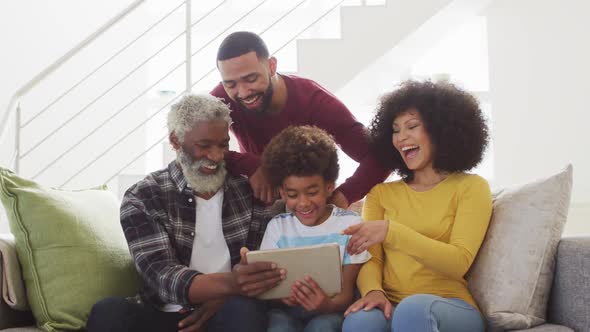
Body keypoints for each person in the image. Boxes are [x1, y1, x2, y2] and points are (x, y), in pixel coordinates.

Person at [86, 94, 285, 332]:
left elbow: (279, 248)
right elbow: (161, 275)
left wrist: (228, 293)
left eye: (223, 145)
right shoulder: (144, 196)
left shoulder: (247, 191)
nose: (216, 156)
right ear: (175, 140)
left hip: (226, 309)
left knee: (244, 308)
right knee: (108, 311)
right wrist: (232, 283)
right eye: (204, 146)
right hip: (165, 313)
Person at [341, 81, 493, 332]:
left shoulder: (470, 187)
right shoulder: (381, 193)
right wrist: (373, 290)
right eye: (395, 130)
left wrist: (392, 231)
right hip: (392, 303)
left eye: (412, 127)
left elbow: (458, 261)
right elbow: (371, 258)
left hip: (449, 305)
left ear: (440, 131)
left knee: (414, 310)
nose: (401, 138)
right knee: (361, 321)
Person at [210, 31, 390, 208]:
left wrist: (342, 197)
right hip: (260, 206)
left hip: (309, 206)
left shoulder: (315, 102)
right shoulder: (221, 98)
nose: (242, 92)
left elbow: (380, 157)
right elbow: (190, 144)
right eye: (230, 84)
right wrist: (253, 165)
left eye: (251, 78)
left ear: (272, 66)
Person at [258, 125, 371, 332]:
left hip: (332, 310)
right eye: (292, 195)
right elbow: (270, 288)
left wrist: (326, 305)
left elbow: (345, 296)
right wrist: (282, 298)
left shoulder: (350, 226)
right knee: (278, 327)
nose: (303, 203)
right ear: (282, 192)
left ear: (329, 187)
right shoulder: (277, 226)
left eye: (312, 192)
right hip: (286, 311)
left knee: (322, 328)